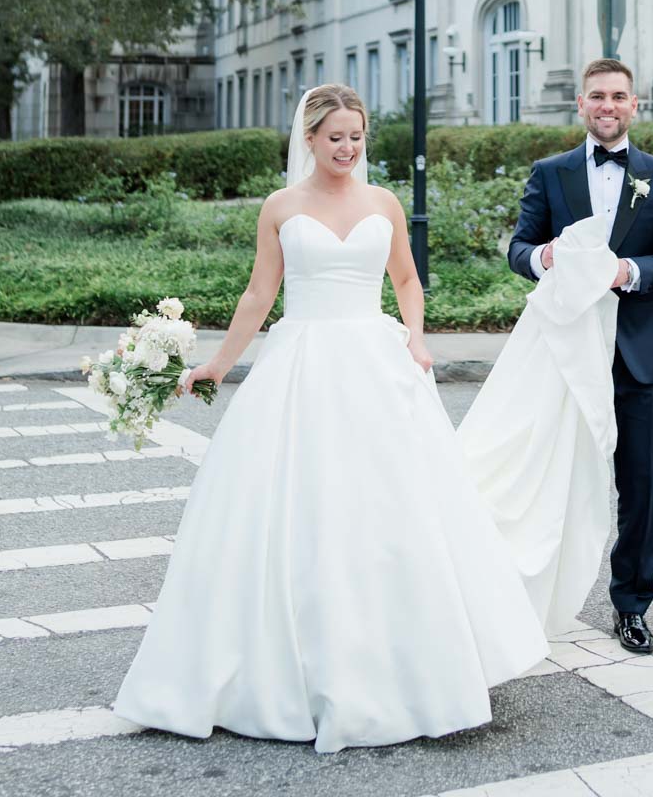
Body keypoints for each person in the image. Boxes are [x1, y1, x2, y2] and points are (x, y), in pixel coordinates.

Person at [113, 83, 547, 755]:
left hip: (375, 360)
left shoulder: (383, 203)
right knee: (299, 511)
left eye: (356, 137)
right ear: (309, 138)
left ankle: (414, 666)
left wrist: (415, 335)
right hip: (303, 362)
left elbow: (405, 279)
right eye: (335, 137)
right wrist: (219, 365)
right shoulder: (281, 208)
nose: (347, 148)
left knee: (396, 513)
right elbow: (261, 293)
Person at [507, 58, 653, 656]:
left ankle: (631, 605)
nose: (606, 106)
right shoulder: (550, 172)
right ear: (580, 105)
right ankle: (530, 595)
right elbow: (519, 247)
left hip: (639, 352)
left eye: (618, 96)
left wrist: (627, 270)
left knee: (640, 485)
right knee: (552, 477)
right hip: (566, 350)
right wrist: (546, 260)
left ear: (634, 105)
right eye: (596, 97)